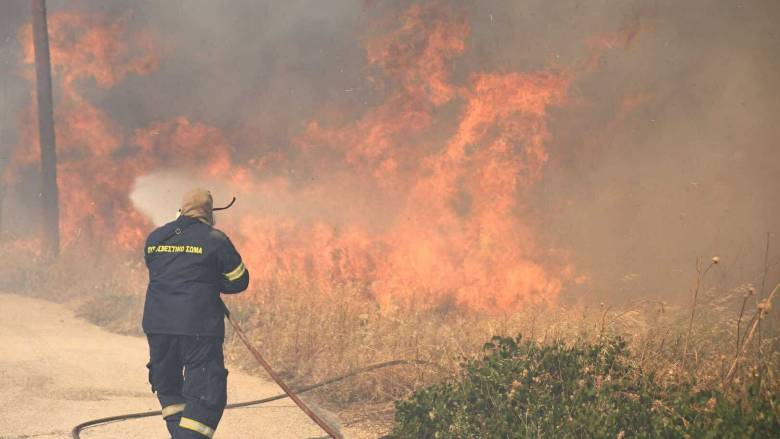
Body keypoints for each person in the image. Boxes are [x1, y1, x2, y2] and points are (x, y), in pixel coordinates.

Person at [141, 188, 249, 438]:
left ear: (182, 210)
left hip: (158, 325)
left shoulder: (156, 237)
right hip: (198, 325)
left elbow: (158, 270)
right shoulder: (215, 239)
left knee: (168, 386)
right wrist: (211, 282)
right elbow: (239, 280)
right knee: (207, 390)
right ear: (208, 213)